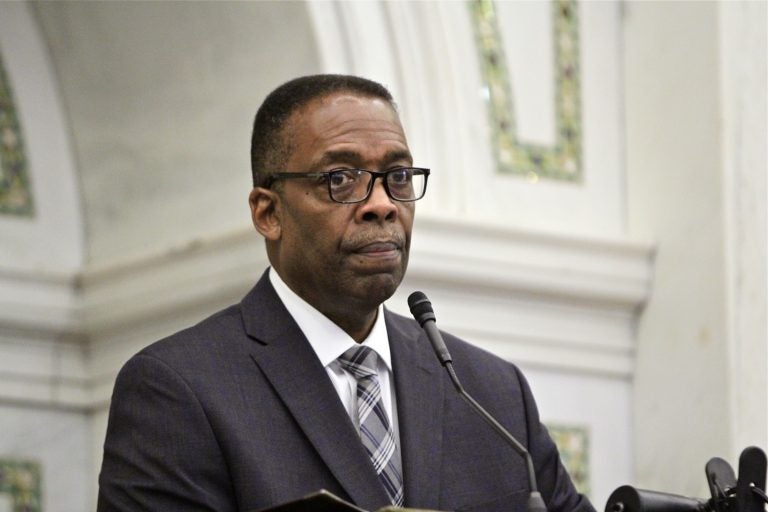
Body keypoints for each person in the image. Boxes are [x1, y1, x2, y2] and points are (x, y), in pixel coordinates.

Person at [97, 74, 595, 512]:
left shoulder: (491, 394)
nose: (381, 204)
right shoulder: (179, 388)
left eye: (397, 177)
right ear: (268, 213)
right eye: (340, 178)